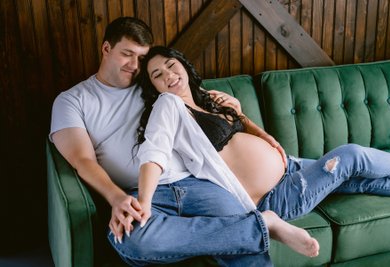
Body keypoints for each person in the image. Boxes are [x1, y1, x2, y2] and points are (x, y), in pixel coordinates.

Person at [50, 17, 311, 267]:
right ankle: (261, 226)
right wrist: (116, 198)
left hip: (198, 181)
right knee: (130, 241)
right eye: (127, 54)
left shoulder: (151, 84)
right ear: (106, 48)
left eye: (142, 58)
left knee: (244, 248)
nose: (135, 64)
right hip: (142, 192)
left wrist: (243, 117)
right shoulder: (73, 100)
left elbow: (198, 97)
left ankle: (248, 229)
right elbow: (82, 160)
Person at [133, 45, 390, 263]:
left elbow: (248, 130)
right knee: (351, 156)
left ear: (183, 64)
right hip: (274, 197)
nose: (168, 75)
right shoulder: (169, 108)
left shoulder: (208, 100)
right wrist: (144, 201)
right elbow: (153, 151)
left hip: (290, 167)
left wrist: (250, 124)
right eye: (157, 75)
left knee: (358, 179)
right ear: (153, 87)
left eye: (171, 65)